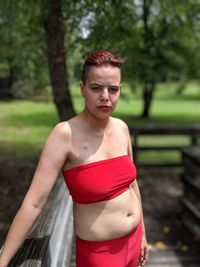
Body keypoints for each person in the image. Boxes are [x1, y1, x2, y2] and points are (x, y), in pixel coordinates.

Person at [0, 50, 149, 267]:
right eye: (96, 88)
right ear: (82, 89)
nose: (105, 96)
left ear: (119, 90)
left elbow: (132, 185)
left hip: (134, 242)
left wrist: (143, 233)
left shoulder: (122, 128)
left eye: (113, 89)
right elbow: (34, 203)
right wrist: (3, 261)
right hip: (100, 255)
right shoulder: (64, 135)